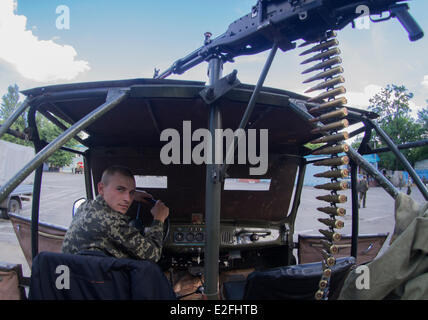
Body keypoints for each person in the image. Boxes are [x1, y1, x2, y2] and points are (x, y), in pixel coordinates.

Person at [62, 165, 169, 262]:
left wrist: (133, 194)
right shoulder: (113, 223)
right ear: (101, 188)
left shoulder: (85, 206)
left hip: (76, 277)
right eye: (120, 189)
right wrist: (159, 219)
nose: (127, 199)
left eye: (131, 192)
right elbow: (154, 255)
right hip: (98, 281)